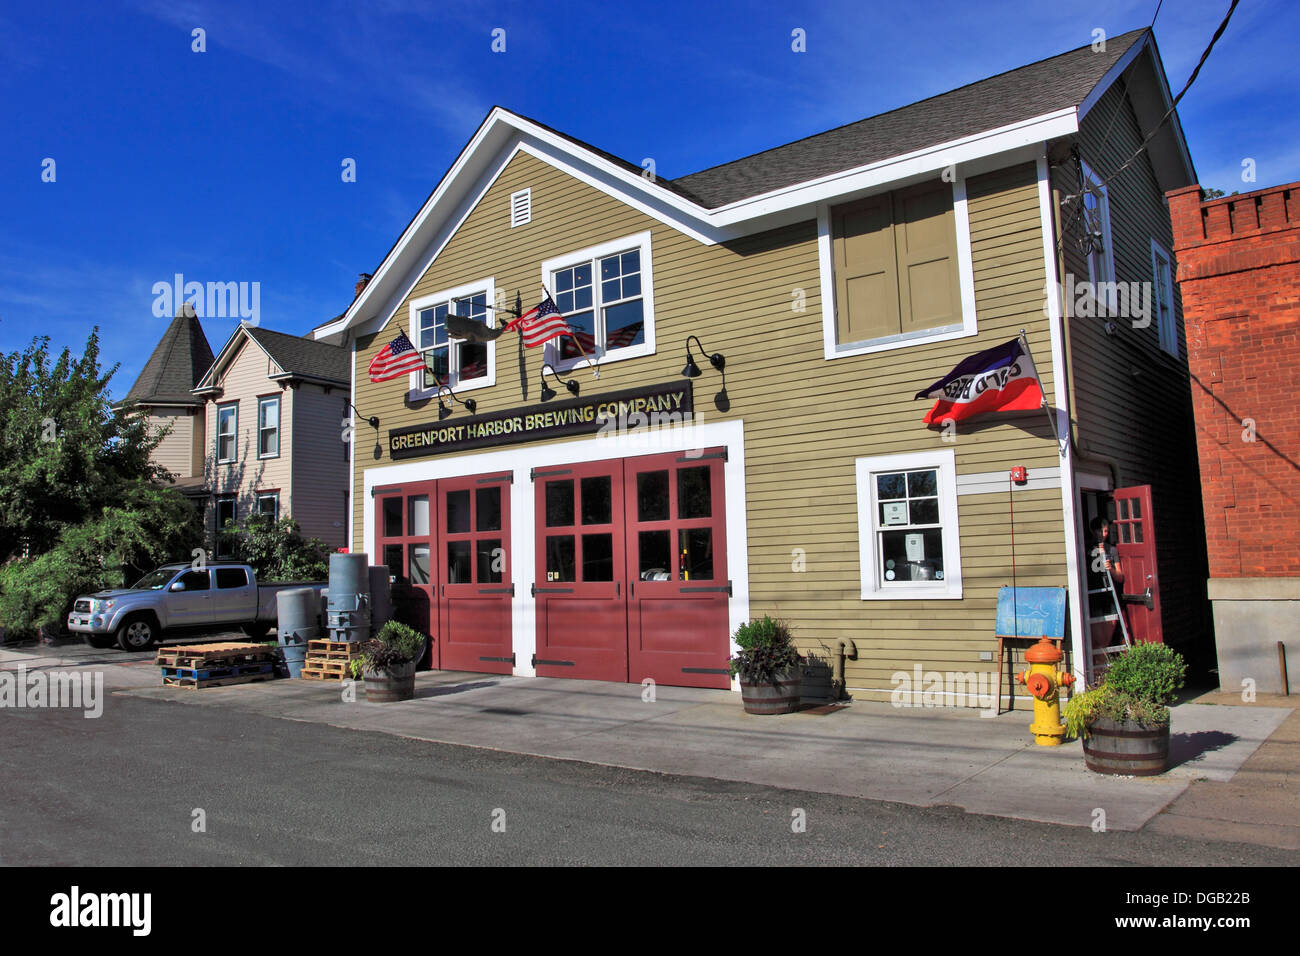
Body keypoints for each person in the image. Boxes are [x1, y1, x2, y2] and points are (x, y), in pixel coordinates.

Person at [1086, 515, 1124, 649]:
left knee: (1106, 640)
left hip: (1109, 596)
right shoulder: (1086, 548)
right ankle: (1098, 667)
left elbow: (1120, 577)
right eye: (1100, 531)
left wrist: (1111, 568)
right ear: (1093, 531)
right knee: (1096, 640)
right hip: (1094, 596)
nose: (1103, 534)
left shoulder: (1112, 550)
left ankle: (1103, 666)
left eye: (1106, 531)